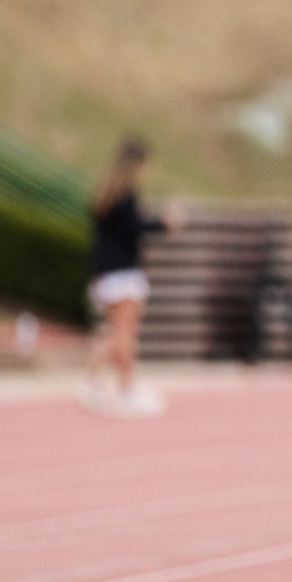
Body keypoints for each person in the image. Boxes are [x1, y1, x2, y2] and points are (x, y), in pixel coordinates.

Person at [80, 137, 182, 417]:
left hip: (105, 273)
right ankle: (124, 388)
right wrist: (163, 222)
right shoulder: (125, 195)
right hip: (123, 272)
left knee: (114, 332)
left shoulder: (106, 192)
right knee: (125, 333)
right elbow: (136, 227)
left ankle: (95, 380)